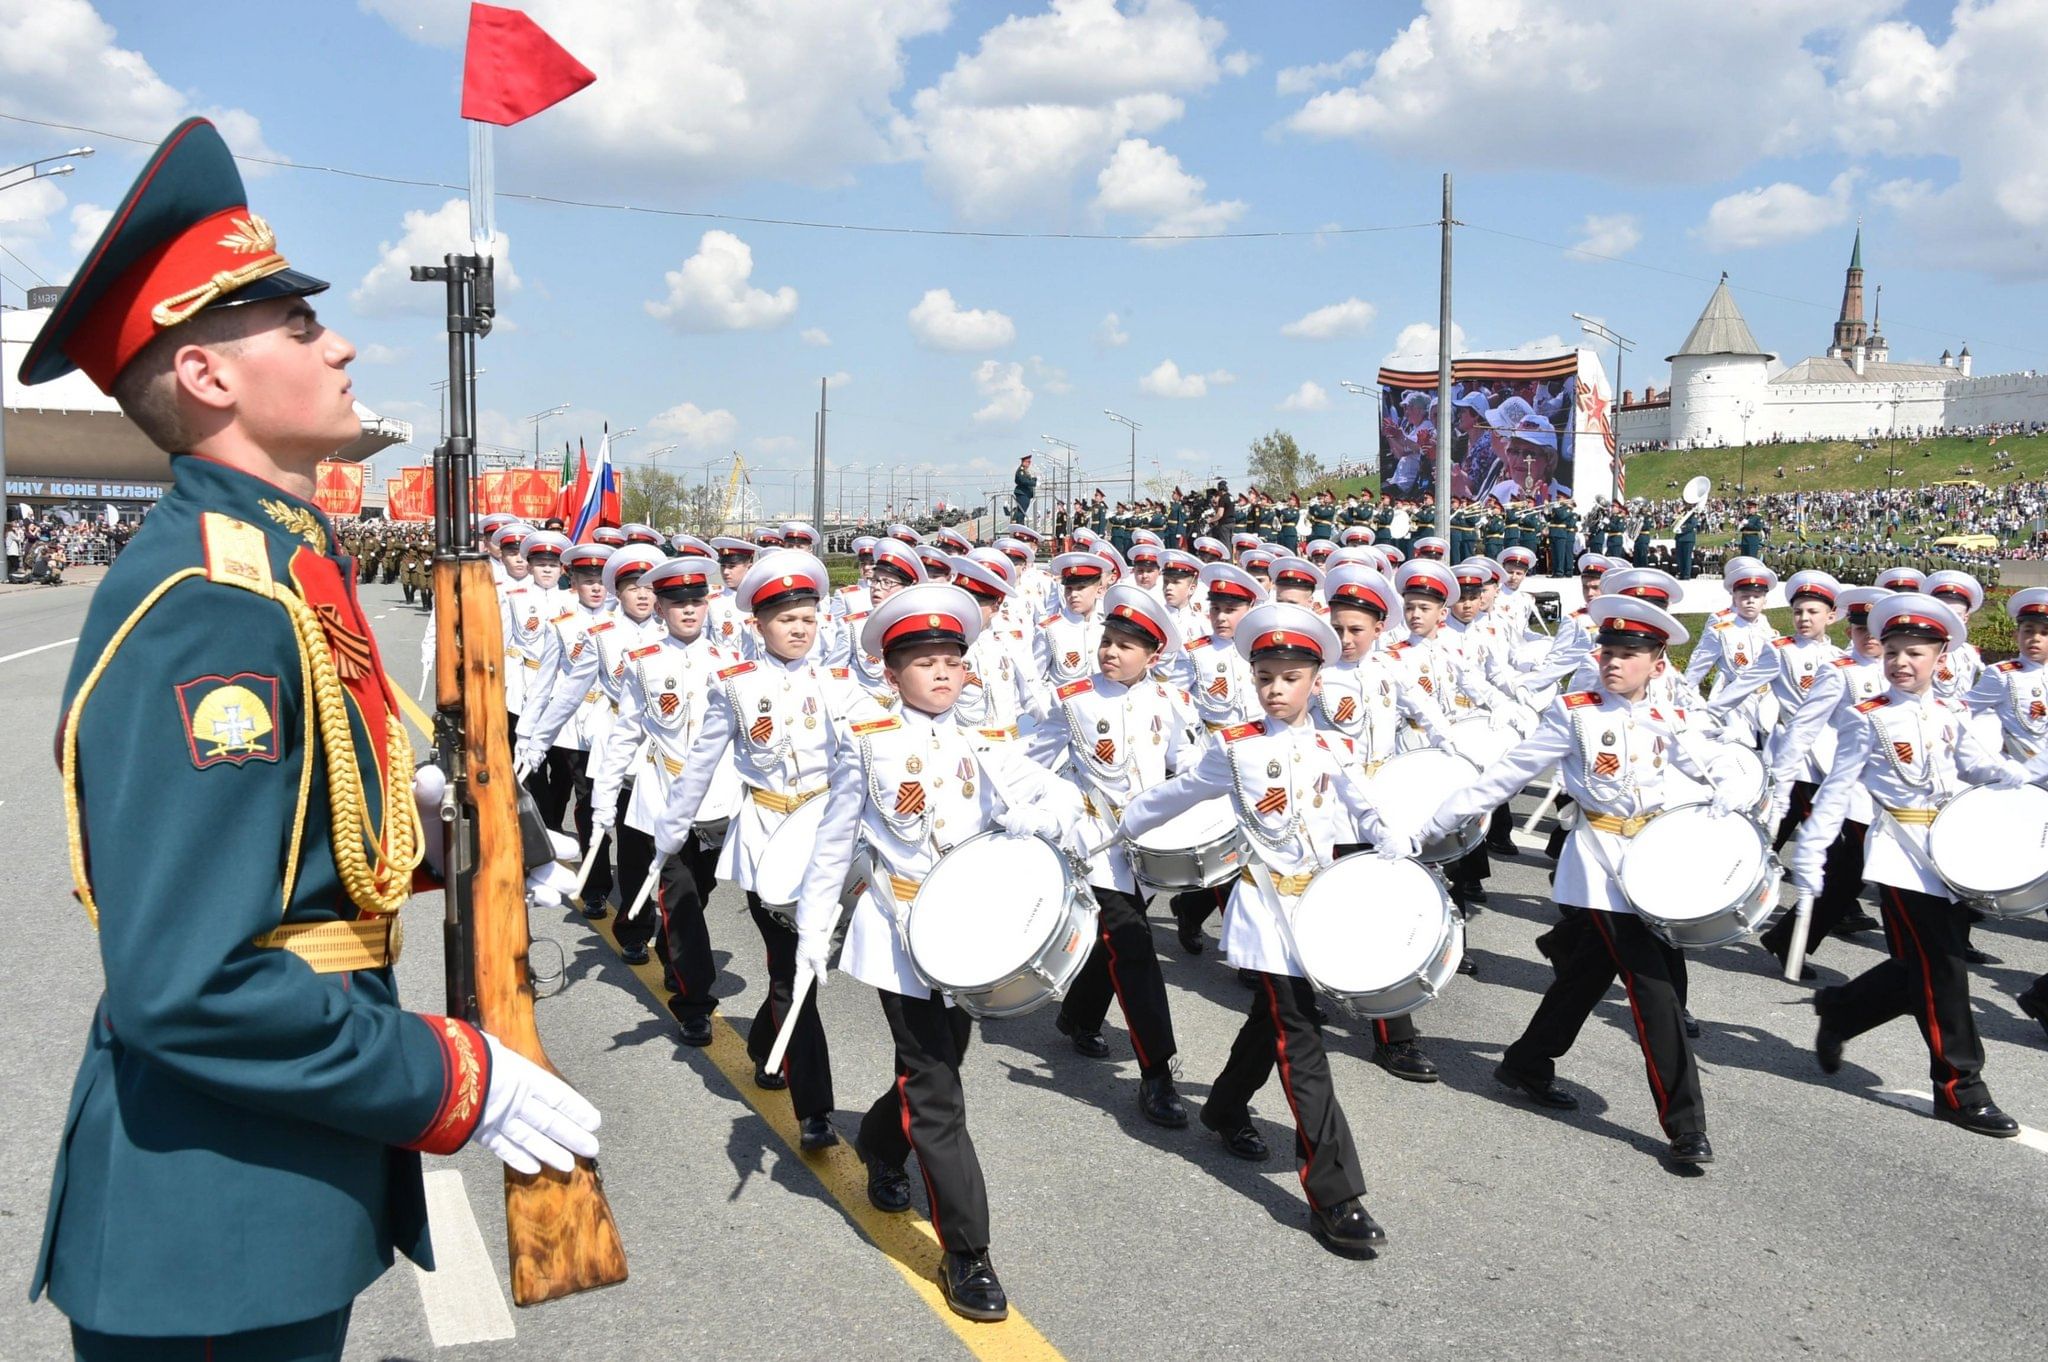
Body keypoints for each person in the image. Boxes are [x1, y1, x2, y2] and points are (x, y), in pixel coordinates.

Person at [22, 116, 598, 1360]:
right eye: (293, 324)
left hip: (269, 1199)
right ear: (210, 379)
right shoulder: (215, 612)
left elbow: (301, 833)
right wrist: (456, 1077)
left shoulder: (285, 567)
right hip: (212, 1223)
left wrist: (457, 834)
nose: (335, 342)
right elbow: (189, 982)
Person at [795, 584, 1084, 1322]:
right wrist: (810, 935)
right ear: (892, 675)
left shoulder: (987, 743)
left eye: (953, 660)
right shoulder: (867, 741)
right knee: (937, 1087)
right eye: (925, 663)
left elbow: (1064, 799)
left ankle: (880, 1143)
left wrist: (1037, 812)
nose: (944, 674)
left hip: (972, 935)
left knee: (944, 1061)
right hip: (901, 934)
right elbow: (834, 848)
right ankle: (968, 1255)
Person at [1120, 602, 1412, 1255]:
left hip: (1319, 907)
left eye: (1289, 677)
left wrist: (1399, 849)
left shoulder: (1334, 745)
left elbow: (1368, 810)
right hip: (1263, 912)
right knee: (1299, 1036)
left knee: (1274, 1022)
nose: (1276, 689)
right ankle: (1335, 1196)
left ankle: (1224, 1106)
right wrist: (1120, 828)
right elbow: (1175, 797)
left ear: (1316, 680)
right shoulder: (1234, 747)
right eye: (1266, 677)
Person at [1419, 595, 1725, 1167]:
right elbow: (1511, 770)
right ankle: (1686, 1124)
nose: (1614, 662)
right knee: (1654, 991)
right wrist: (1444, 816)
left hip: (1653, 866)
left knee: (1587, 972)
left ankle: (1527, 1061)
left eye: (1629, 654)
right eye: (1608, 651)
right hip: (1601, 871)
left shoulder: (1671, 716)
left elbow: (1710, 765)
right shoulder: (1575, 712)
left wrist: (1733, 791)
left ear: (1658, 664)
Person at [652, 549, 869, 1147]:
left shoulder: (844, 686)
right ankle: (815, 1112)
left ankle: (762, 1042)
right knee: (790, 969)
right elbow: (699, 766)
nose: (798, 629)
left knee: (809, 962)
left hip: (827, 840)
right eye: (784, 619)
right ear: (757, 624)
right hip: (768, 842)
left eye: (807, 618)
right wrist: (670, 831)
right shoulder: (736, 686)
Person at [1801, 593, 2033, 1137]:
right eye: (1893, 652)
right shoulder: (1867, 719)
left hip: (1954, 853)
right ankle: (1960, 1088)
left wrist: (2019, 776)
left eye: (1915, 653)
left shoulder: (1953, 712)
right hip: (1902, 858)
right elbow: (1835, 792)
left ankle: (1842, 1008)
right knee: (1945, 970)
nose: (1901, 662)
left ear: (1941, 656)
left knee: (1921, 969)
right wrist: (1811, 854)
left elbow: (1976, 766)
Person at [1026, 585, 1194, 1125]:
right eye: (1108, 641)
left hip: (1140, 848)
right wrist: (1045, 811)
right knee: (1134, 947)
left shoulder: (1168, 700)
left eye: (1126, 646)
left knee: (1115, 940)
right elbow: (1030, 761)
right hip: (1092, 846)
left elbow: (1182, 761)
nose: (1111, 653)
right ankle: (1157, 1074)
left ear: (1154, 655)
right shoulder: (1073, 697)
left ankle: (1077, 1016)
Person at [1962, 588, 2048, 1042]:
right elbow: (1961, 721)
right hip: (2028, 796)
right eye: (2028, 630)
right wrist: (1998, 767)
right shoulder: (2002, 675)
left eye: (2043, 633)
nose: (2034, 639)